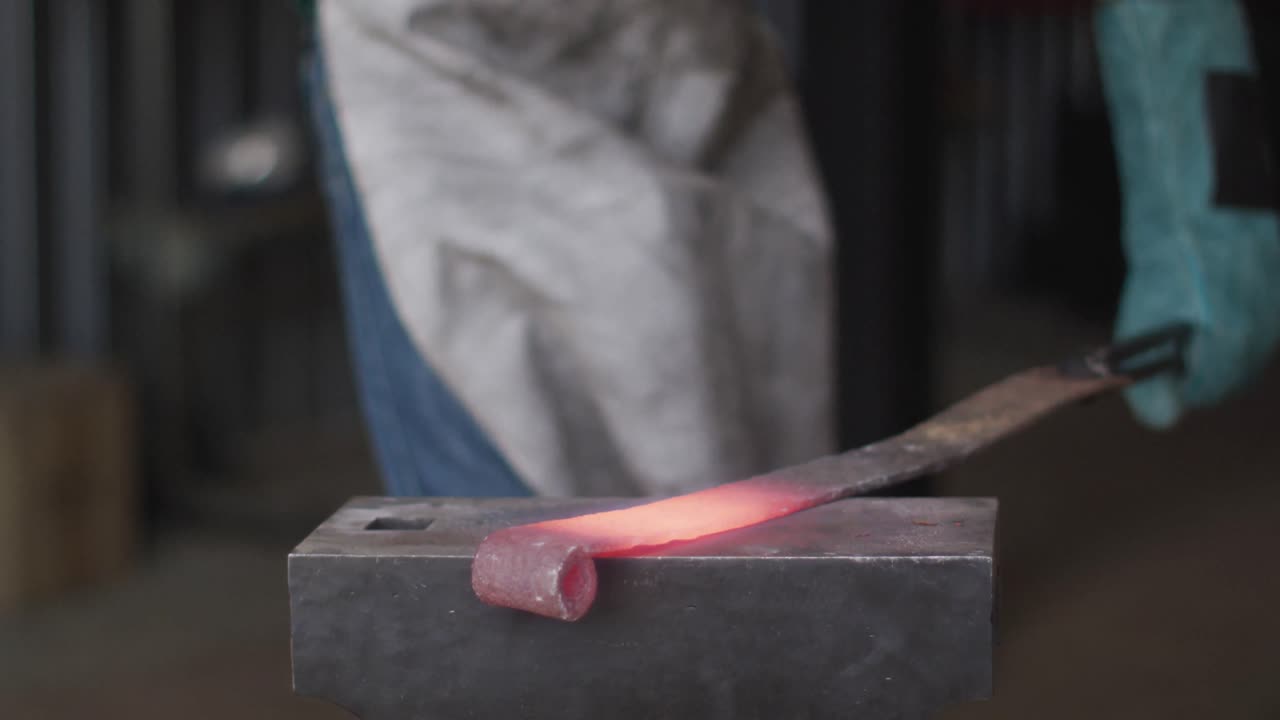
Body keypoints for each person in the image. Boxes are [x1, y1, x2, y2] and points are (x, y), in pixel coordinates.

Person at [304, 0, 1280, 498]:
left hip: (690, 60)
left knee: (746, 537)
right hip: (448, 73)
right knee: (516, 587)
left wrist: (1203, 190)